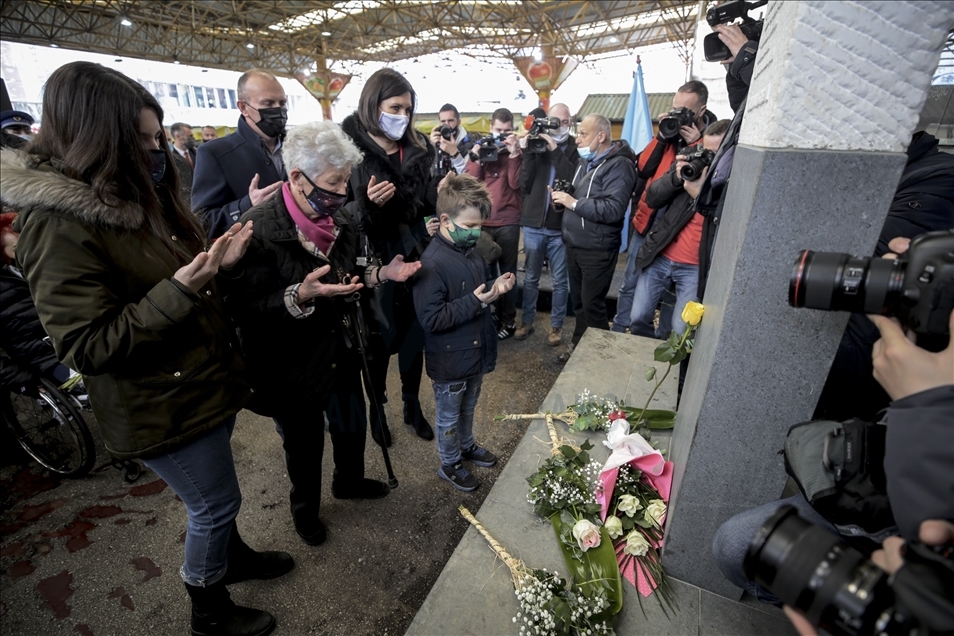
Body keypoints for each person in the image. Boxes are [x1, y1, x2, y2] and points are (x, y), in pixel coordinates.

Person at [2, 61, 290, 636]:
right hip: (157, 401)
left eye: (158, 137)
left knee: (220, 497)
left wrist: (217, 264)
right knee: (212, 505)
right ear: (98, 140)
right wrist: (181, 289)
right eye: (143, 140)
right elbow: (86, 345)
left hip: (196, 382)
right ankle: (208, 609)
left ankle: (232, 558)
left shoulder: (130, 194)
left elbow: (166, 273)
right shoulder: (57, 226)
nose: (156, 151)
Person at [222, 121, 420, 547]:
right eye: (333, 184)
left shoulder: (340, 217)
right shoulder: (257, 230)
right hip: (292, 362)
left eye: (346, 182)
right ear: (297, 177)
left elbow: (352, 270)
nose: (343, 193)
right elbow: (243, 310)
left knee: (350, 423)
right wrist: (300, 295)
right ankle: (305, 512)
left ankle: (349, 481)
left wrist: (382, 273)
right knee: (304, 444)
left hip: (344, 345)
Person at [711, 263, 954, 604]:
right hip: (878, 489)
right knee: (736, 545)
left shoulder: (931, 407)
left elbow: (930, 521)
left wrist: (924, 405)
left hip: (923, 525)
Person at [341, 68, 440, 446]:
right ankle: (377, 409)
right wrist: (365, 205)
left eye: (408, 109)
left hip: (415, 258)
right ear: (373, 105)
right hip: (370, 264)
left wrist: (439, 198)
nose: (403, 115)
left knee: (414, 340)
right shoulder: (345, 149)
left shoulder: (419, 149)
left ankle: (412, 406)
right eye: (395, 107)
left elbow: (423, 208)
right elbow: (334, 212)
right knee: (377, 347)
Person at [412, 174, 514, 491]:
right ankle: (450, 462)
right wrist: (477, 301)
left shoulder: (470, 251)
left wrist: (495, 288)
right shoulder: (431, 263)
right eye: (469, 226)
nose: (476, 232)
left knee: (469, 407)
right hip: (450, 359)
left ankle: (466, 446)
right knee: (448, 416)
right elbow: (431, 318)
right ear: (445, 220)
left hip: (474, 350)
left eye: (479, 226)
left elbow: (478, 291)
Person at [612, 81, 716, 333]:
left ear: (701, 111)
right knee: (630, 283)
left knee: (671, 292)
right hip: (648, 221)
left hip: (678, 229)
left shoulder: (711, 139)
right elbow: (643, 168)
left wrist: (697, 143)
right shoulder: (668, 133)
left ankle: (662, 338)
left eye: (685, 110)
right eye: (674, 108)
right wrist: (661, 136)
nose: (677, 114)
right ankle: (620, 330)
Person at [628, 119, 730, 338]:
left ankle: (666, 356)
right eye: (706, 151)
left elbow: (728, 223)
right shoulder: (690, 161)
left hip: (695, 267)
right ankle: (645, 351)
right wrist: (676, 177)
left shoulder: (734, 179)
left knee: (680, 330)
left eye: (716, 153)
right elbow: (652, 197)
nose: (709, 159)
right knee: (637, 317)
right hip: (662, 255)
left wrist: (700, 196)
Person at [551, 114, 637, 361]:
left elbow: (613, 210)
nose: (577, 139)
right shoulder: (584, 162)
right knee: (579, 303)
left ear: (601, 136)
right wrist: (560, 199)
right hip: (574, 244)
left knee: (592, 305)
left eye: (583, 134)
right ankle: (579, 347)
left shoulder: (620, 166)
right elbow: (576, 198)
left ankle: (601, 359)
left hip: (597, 248)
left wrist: (572, 202)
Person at [192, 69, 287, 239]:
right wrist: (248, 204)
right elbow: (203, 222)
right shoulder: (215, 153)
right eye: (268, 103)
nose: (278, 110)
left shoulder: (299, 145)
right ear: (243, 107)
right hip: (255, 252)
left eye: (282, 103)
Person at [514, 103, 578, 346]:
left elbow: (571, 178)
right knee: (530, 278)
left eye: (563, 122)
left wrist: (554, 149)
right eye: (555, 121)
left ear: (569, 122)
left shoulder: (574, 148)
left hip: (558, 226)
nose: (558, 126)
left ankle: (556, 326)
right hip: (533, 224)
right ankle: (526, 321)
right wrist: (529, 152)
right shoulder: (536, 144)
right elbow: (524, 184)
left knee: (560, 281)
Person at [465, 107, 523, 340]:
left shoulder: (515, 153)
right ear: (491, 128)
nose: (501, 135)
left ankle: (508, 321)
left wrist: (514, 154)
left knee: (508, 275)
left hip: (508, 222)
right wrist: (476, 157)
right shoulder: (484, 149)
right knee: (484, 274)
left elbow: (516, 184)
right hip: (484, 222)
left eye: (506, 131)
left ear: (512, 130)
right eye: (498, 130)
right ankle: (488, 320)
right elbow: (470, 184)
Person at [428, 103, 475, 177]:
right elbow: (426, 174)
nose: (447, 124)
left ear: (458, 122)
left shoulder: (471, 143)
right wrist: (430, 148)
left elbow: (471, 177)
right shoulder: (435, 141)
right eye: (443, 121)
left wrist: (455, 154)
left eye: (450, 120)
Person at [169, 122, 197, 202]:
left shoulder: (197, 154)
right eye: (190, 136)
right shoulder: (171, 160)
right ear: (178, 136)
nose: (193, 138)